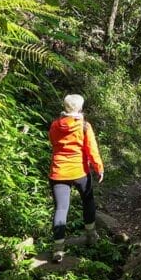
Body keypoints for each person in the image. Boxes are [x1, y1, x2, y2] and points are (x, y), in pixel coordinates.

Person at [48, 94, 104, 262]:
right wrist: (98, 168)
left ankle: (58, 249)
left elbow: (53, 142)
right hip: (79, 172)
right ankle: (91, 236)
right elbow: (91, 150)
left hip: (58, 172)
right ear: (79, 108)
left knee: (61, 209)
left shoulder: (55, 125)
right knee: (88, 201)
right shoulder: (84, 127)